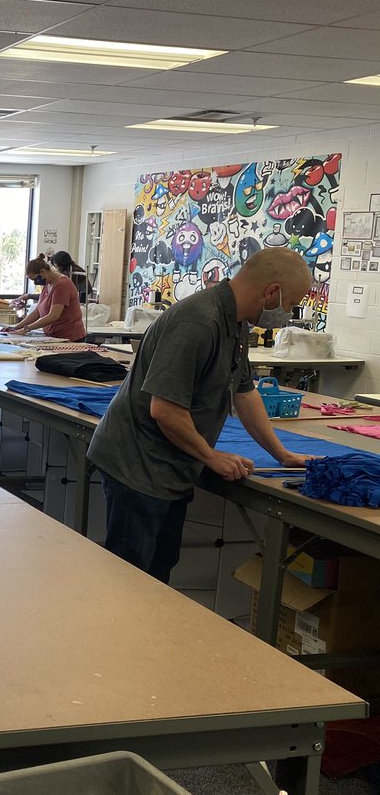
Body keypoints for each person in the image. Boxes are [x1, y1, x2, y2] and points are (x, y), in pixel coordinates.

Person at [88, 248, 316, 582]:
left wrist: (281, 454)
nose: (288, 313)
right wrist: (211, 456)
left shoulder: (236, 323)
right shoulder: (198, 321)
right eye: (290, 304)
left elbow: (245, 392)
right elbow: (164, 409)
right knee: (130, 577)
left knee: (158, 571)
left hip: (170, 466)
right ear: (271, 292)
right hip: (138, 463)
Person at [1, 257, 86, 341]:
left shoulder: (62, 285)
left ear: (43, 272)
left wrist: (26, 329)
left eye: (35, 279)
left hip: (69, 337)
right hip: (53, 336)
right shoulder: (47, 284)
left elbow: (53, 316)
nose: (36, 283)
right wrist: (15, 327)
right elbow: (36, 313)